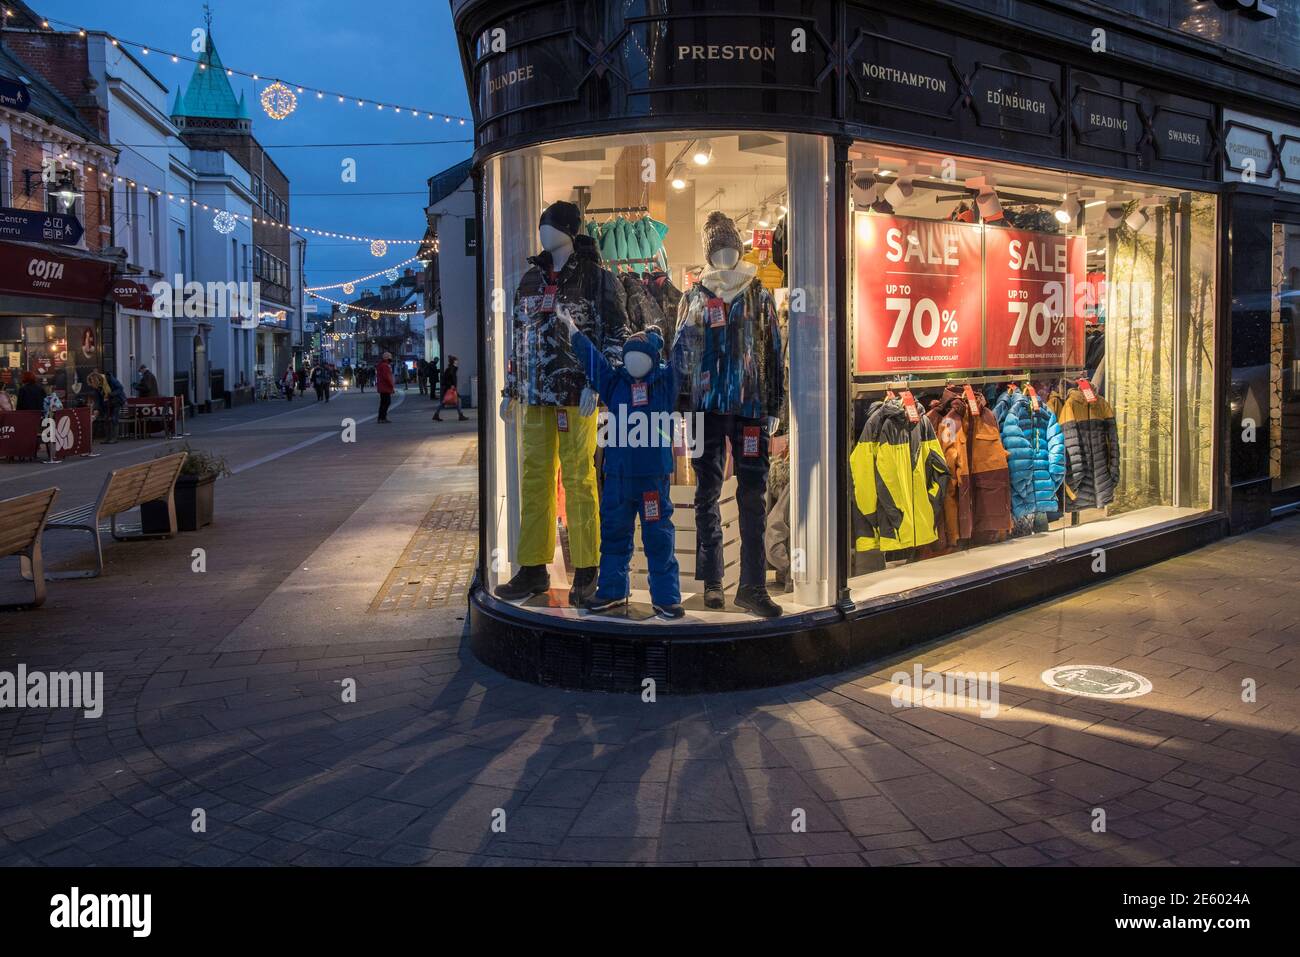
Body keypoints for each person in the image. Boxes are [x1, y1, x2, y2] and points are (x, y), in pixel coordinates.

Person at [565, 316, 684, 619]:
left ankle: (666, 596)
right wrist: (574, 331)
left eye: (640, 357)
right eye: (629, 356)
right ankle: (613, 590)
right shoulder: (615, 382)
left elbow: (684, 355)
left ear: (652, 360)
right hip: (618, 478)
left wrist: (691, 324)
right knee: (614, 534)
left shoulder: (664, 384)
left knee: (658, 537)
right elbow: (594, 361)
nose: (633, 362)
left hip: (651, 481)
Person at [432, 355, 469, 422]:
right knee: (448, 402)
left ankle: (437, 415)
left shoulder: (452, 369)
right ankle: (460, 415)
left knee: (455, 401)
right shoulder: (450, 370)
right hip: (449, 389)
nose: (457, 363)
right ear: (453, 363)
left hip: (451, 388)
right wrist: (451, 385)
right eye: (456, 362)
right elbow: (445, 380)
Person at [375, 351, 395, 423]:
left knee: (383, 402)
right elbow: (387, 377)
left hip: (382, 386)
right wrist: (391, 386)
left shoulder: (380, 365)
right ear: (388, 359)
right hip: (385, 387)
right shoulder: (385, 366)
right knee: (386, 402)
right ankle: (382, 418)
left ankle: (381, 417)